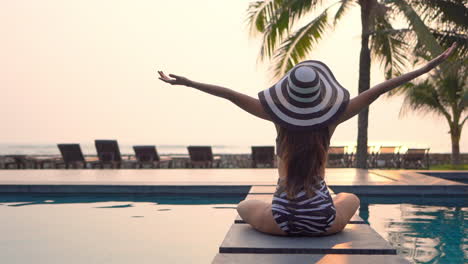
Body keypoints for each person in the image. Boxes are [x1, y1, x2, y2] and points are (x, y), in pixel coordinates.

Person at [157, 43, 457, 236]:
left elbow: (232, 96)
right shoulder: (330, 121)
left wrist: (190, 83)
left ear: (286, 97)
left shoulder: (276, 118)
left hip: (282, 220)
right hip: (323, 221)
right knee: (350, 198)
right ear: (322, 96)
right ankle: (319, 197)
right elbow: (378, 89)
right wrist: (427, 67)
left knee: (244, 205)